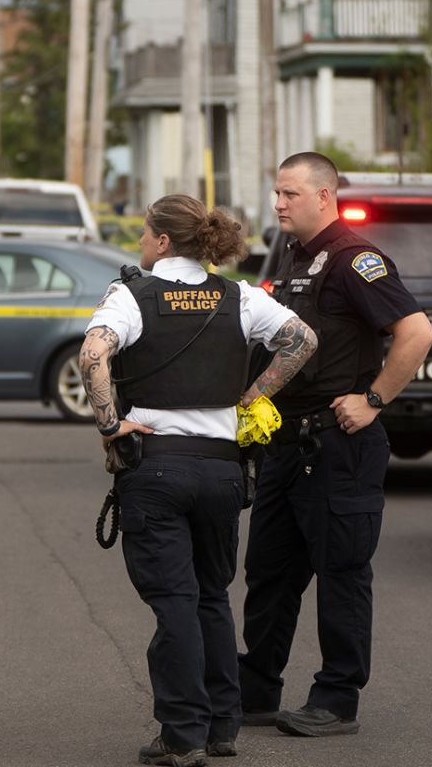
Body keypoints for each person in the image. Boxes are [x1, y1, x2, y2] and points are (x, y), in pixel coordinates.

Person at [80, 195, 318, 767]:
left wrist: (111, 425)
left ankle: (183, 734)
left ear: (163, 242)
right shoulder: (238, 296)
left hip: (157, 467)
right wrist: (253, 396)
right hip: (221, 469)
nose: (140, 242)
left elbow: (93, 355)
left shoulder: (131, 296)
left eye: (144, 233)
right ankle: (221, 726)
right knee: (212, 596)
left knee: (176, 604)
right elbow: (304, 341)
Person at [237, 152, 432, 737]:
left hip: (336, 447)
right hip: (286, 447)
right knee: (269, 572)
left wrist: (373, 400)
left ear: (324, 196)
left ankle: (337, 697)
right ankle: (256, 690)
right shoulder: (297, 258)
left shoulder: (356, 260)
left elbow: (417, 331)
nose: (278, 204)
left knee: (341, 572)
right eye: (276, 193)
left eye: (289, 193)